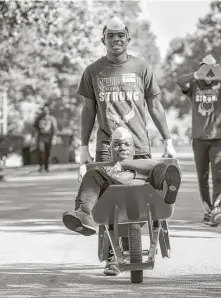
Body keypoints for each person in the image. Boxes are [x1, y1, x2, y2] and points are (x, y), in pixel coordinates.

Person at [75, 17, 176, 276]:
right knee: (108, 200)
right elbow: (88, 111)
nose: (116, 39)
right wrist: (83, 146)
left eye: (121, 35)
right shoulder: (93, 71)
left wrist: (168, 140)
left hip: (139, 145)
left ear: (128, 40)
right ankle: (112, 256)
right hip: (108, 147)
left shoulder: (142, 67)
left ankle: (160, 201)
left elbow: (155, 105)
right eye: (111, 35)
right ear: (104, 40)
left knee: (143, 196)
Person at [62, 127, 181, 271]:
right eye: (117, 144)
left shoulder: (144, 165)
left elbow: (155, 166)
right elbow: (94, 176)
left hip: (147, 200)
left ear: (134, 150)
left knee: (161, 169)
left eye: (126, 144)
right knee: (92, 175)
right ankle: (83, 214)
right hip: (115, 202)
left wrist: (124, 165)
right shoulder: (103, 170)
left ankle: (169, 187)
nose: (122, 147)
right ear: (110, 150)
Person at [176, 54, 221, 227]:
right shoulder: (195, 85)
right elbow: (180, 82)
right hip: (199, 140)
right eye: (206, 68)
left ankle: (216, 210)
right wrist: (197, 74)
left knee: (217, 177)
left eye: (212, 68)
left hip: (218, 139)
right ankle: (207, 211)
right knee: (202, 178)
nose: (209, 72)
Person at [33, 104, 58, 172]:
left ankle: (47, 167)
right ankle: (41, 166)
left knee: (48, 152)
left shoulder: (51, 118)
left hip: (49, 138)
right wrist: (39, 131)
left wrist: (54, 137)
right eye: (44, 110)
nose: (45, 112)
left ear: (48, 111)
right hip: (41, 137)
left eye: (46, 110)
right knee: (41, 152)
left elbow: (54, 128)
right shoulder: (39, 118)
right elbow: (35, 125)